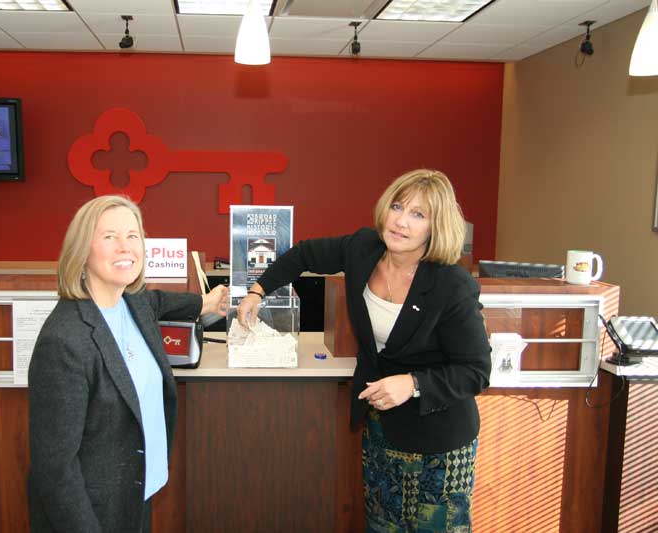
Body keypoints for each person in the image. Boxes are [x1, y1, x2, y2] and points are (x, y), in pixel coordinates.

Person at [237, 169, 491, 532]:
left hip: (439, 442)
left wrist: (413, 383)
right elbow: (304, 254)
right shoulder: (363, 249)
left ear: (436, 227)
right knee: (380, 525)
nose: (401, 221)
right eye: (398, 207)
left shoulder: (452, 285)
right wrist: (258, 290)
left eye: (418, 215)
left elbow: (476, 370)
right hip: (381, 429)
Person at [28, 195, 228, 533]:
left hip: (134, 492)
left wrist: (204, 302)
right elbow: (56, 471)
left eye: (133, 236)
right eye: (109, 237)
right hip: (92, 513)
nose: (125, 247)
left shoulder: (132, 304)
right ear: (82, 250)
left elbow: (159, 300)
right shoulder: (63, 342)